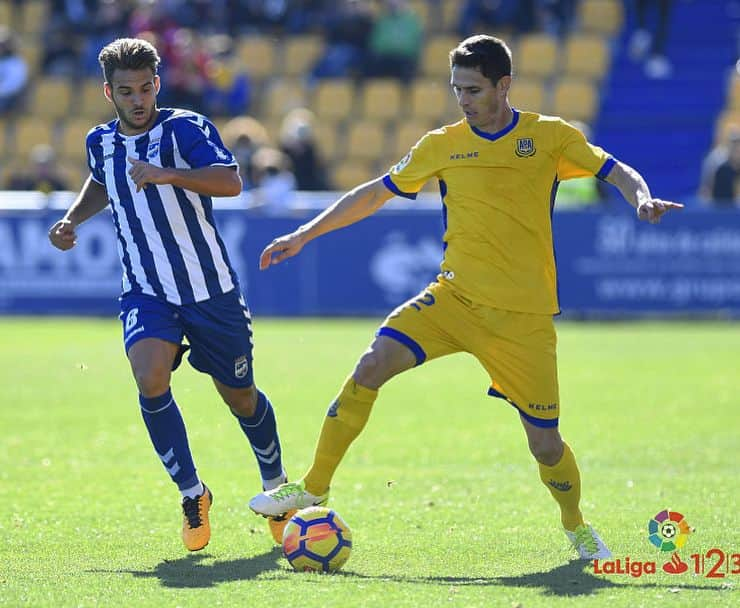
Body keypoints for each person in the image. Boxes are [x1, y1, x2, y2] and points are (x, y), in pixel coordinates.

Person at [248, 34, 683, 560]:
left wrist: (640, 199)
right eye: (457, 88)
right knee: (371, 365)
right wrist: (304, 234)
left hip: (523, 318)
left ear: (505, 85)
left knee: (545, 444)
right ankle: (314, 486)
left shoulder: (551, 136)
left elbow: (616, 171)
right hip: (452, 300)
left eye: (473, 89)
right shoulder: (442, 143)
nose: (463, 99)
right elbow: (374, 193)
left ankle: (576, 524)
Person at [47, 37, 292, 552]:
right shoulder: (100, 142)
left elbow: (230, 183)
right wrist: (71, 219)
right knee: (149, 375)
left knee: (241, 399)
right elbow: (102, 182)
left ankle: (277, 488)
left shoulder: (185, 128)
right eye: (126, 91)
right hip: (146, 289)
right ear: (108, 92)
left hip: (210, 291)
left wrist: (168, 175)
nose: (137, 99)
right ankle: (192, 493)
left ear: (157, 84)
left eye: (145, 88)